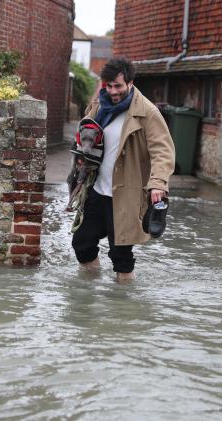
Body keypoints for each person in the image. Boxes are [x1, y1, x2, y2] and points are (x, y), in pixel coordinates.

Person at [71, 58, 175, 281]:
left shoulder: (148, 112)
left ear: (130, 82)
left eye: (117, 86)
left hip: (126, 194)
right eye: (108, 86)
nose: (112, 91)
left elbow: (163, 151)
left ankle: (122, 308)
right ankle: (88, 291)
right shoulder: (99, 105)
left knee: (121, 256)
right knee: (82, 244)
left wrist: (158, 183)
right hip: (97, 190)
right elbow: (86, 138)